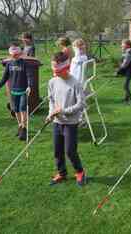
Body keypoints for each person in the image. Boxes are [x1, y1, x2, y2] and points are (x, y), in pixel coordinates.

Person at [46, 52, 87, 186]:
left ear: (66, 68)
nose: (55, 73)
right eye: (54, 70)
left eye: (57, 71)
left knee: (70, 151)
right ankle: (62, 173)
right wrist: (50, 113)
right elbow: (51, 100)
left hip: (71, 123)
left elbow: (81, 104)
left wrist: (63, 111)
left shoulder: (75, 83)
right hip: (57, 122)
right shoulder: (52, 82)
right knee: (57, 151)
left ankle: (80, 172)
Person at [0, 43, 34, 141]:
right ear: (10, 55)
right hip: (14, 91)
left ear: (20, 54)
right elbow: (5, 77)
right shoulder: (9, 64)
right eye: (13, 55)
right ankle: (20, 126)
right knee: (16, 110)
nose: (15, 56)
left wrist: (29, 86)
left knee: (23, 109)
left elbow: (29, 76)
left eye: (17, 54)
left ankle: (24, 128)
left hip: (23, 91)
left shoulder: (24, 63)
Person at [117, 39, 131, 104]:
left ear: (128, 45)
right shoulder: (126, 52)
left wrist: (119, 70)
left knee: (125, 86)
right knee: (126, 85)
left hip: (130, 71)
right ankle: (126, 99)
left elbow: (125, 63)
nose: (121, 46)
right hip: (128, 70)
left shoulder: (129, 52)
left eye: (123, 44)